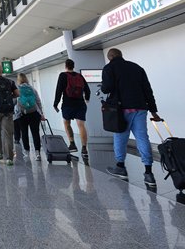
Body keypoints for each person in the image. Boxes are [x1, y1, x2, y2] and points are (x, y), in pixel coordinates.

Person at [101, 48, 162, 188]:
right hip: (140, 108)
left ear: (110, 57)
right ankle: (149, 173)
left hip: (121, 109)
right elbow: (148, 90)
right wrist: (153, 111)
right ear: (121, 55)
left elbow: (106, 88)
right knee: (142, 138)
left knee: (120, 137)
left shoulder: (109, 68)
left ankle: (120, 167)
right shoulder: (137, 68)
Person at [53, 59, 91, 157]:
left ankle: (72, 144)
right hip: (80, 104)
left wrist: (55, 103)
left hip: (68, 104)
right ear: (73, 66)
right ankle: (84, 149)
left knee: (66, 123)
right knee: (81, 125)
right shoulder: (80, 76)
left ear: (66, 66)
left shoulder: (63, 75)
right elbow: (87, 89)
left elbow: (59, 90)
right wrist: (87, 98)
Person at [15, 73, 45, 161]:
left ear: (18, 80)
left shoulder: (17, 90)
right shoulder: (32, 89)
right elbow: (38, 101)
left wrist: (16, 114)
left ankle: (27, 152)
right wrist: (41, 113)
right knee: (35, 133)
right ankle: (37, 153)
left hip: (22, 114)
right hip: (34, 113)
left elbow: (15, 103)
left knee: (24, 133)